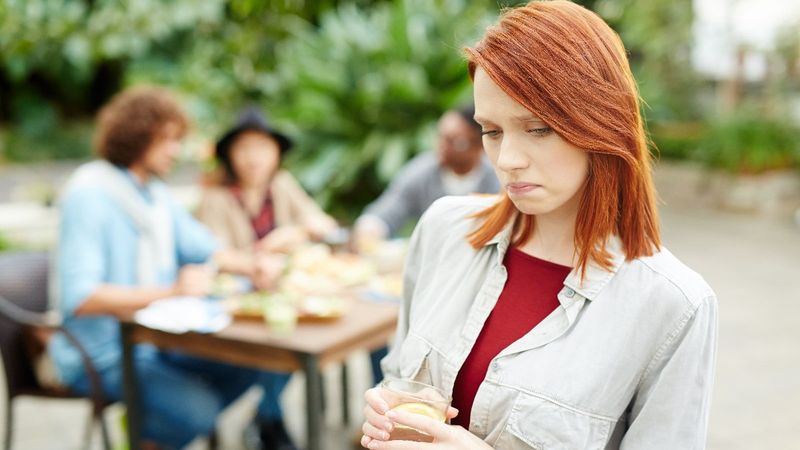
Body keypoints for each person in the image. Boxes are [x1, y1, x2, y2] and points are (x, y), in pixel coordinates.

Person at [360, 2, 718, 449]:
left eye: (538, 129)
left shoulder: (672, 305)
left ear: (602, 125)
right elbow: (399, 381)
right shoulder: (443, 230)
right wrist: (388, 411)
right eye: (491, 131)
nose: (507, 159)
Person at [48, 86, 297, 450]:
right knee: (198, 410)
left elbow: (204, 247)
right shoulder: (90, 195)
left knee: (260, 363)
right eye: (168, 140)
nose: (176, 152)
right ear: (137, 134)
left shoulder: (154, 194)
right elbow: (82, 297)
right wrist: (172, 291)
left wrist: (252, 266)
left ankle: (148, 436)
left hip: (157, 339)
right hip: (101, 353)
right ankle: (146, 436)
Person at [196, 106, 337, 256]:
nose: (253, 158)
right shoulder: (215, 199)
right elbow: (214, 255)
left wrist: (297, 232)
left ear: (276, 151)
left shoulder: (281, 184)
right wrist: (267, 246)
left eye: (262, 146)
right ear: (229, 155)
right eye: (243, 148)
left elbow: (323, 223)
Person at [353, 105, 500, 244]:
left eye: (454, 141)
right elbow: (393, 204)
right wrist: (371, 226)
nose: (443, 146)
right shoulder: (422, 172)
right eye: (441, 136)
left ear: (480, 146)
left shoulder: (496, 178)